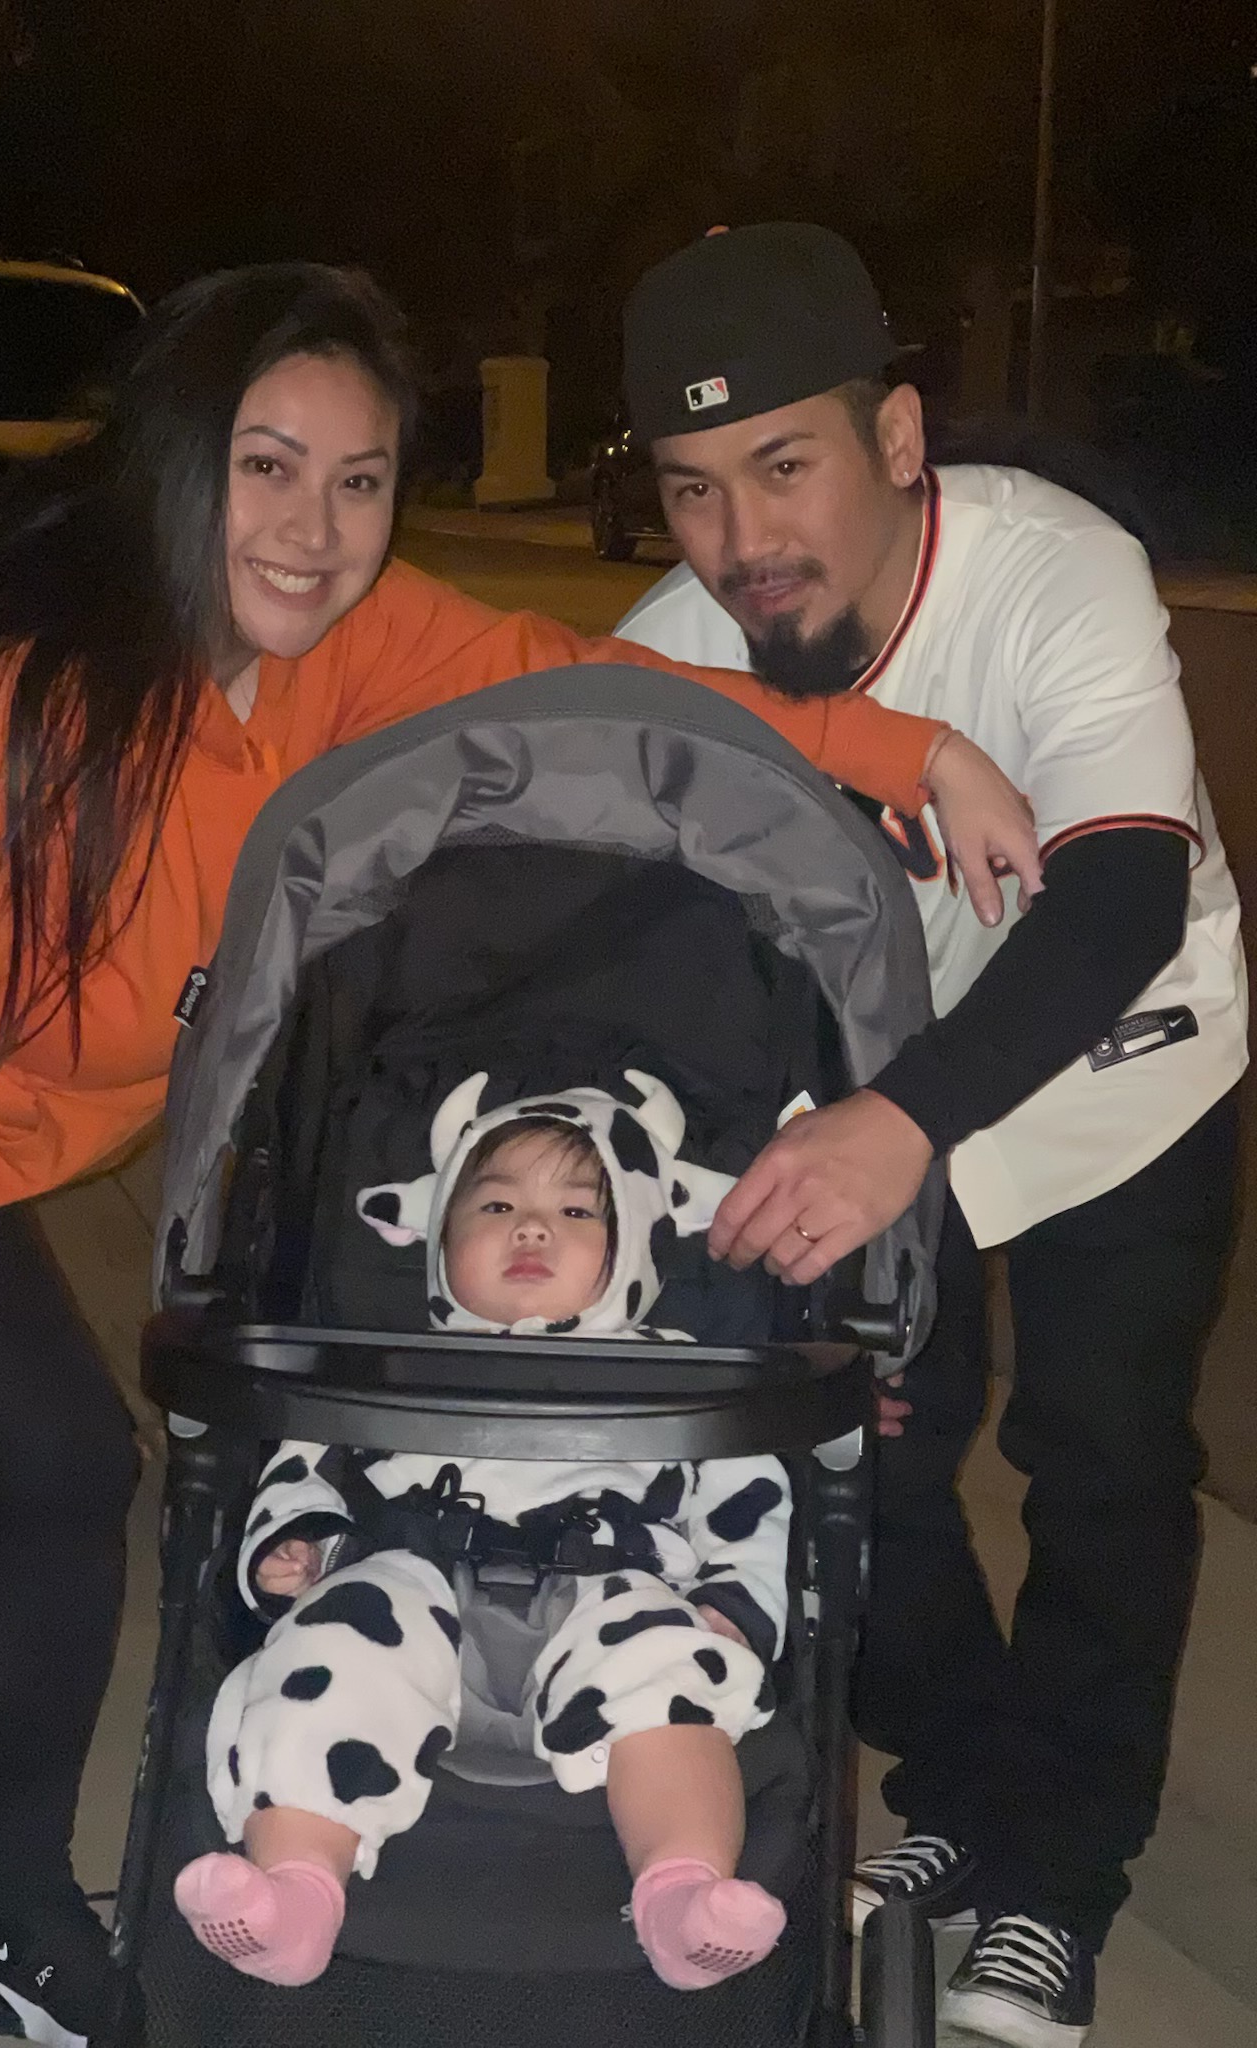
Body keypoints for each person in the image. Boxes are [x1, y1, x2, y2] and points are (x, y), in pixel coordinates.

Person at [0, 260, 1037, 2048]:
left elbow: (609, 694)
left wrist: (908, 750)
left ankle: (9, 1918)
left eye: (358, 481)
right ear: (179, 456)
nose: (313, 529)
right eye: (265, 467)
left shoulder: (342, 642)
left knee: (51, 1463)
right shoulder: (27, 699)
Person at [613, 222, 1246, 2048]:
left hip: (1122, 1066)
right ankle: (971, 1790)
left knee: (1101, 1459)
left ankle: (1062, 1877)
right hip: (884, 1095)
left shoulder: (1052, 567)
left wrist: (903, 1122)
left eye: (782, 466)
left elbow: (1120, 896)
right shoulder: (678, 648)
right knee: (865, 1465)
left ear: (894, 439)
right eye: (692, 489)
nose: (741, 539)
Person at [176, 1076, 794, 1992]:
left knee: (669, 1668)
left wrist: (733, 1603)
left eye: (576, 1211)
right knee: (330, 1647)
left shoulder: (684, 1374)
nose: (532, 1229)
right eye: (497, 1204)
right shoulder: (380, 1364)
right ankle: (295, 1892)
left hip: (607, 1600)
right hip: (409, 1599)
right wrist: (297, 1545)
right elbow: (303, 1463)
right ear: (437, 1232)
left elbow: (749, 1499)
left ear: (635, 1237)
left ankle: (682, 1893)